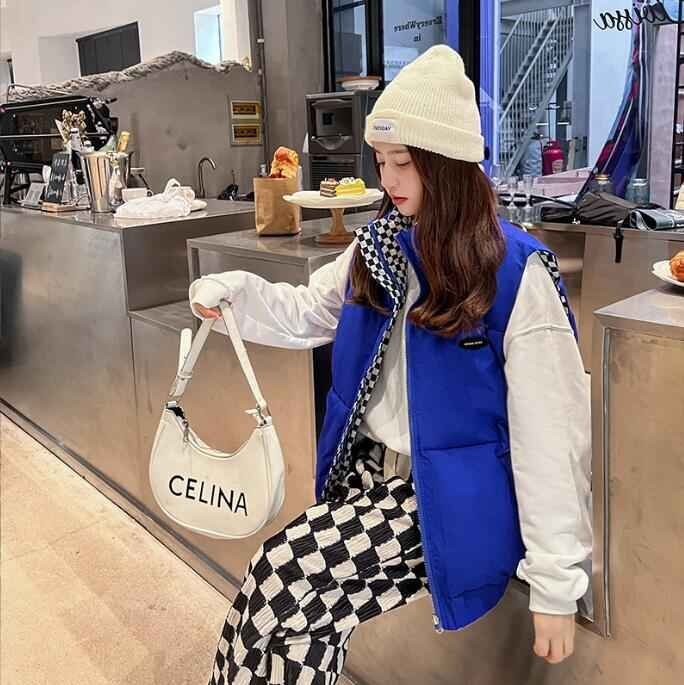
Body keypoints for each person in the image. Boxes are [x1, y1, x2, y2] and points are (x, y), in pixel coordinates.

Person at [189, 44, 592, 685]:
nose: (389, 179)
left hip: (447, 499)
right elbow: (309, 311)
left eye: (403, 162)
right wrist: (235, 294)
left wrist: (556, 585)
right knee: (289, 613)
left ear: (448, 164)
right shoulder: (380, 247)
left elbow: (553, 434)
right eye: (380, 161)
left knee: (281, 580)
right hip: (371, 479)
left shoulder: (514, 273)